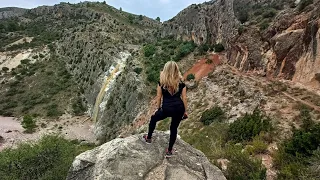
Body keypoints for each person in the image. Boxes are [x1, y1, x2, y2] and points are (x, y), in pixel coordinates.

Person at [143, 61, 188, 157]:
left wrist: (158, 108)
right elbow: (184, 98)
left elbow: (159, 97)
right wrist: (185, 111)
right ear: (177, 70)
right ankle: (170, 150)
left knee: (153, 118)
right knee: (174, 128)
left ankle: (149, 137)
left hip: (166, 108)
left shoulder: (162, 83)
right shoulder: (181, 83)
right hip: (179, 108)